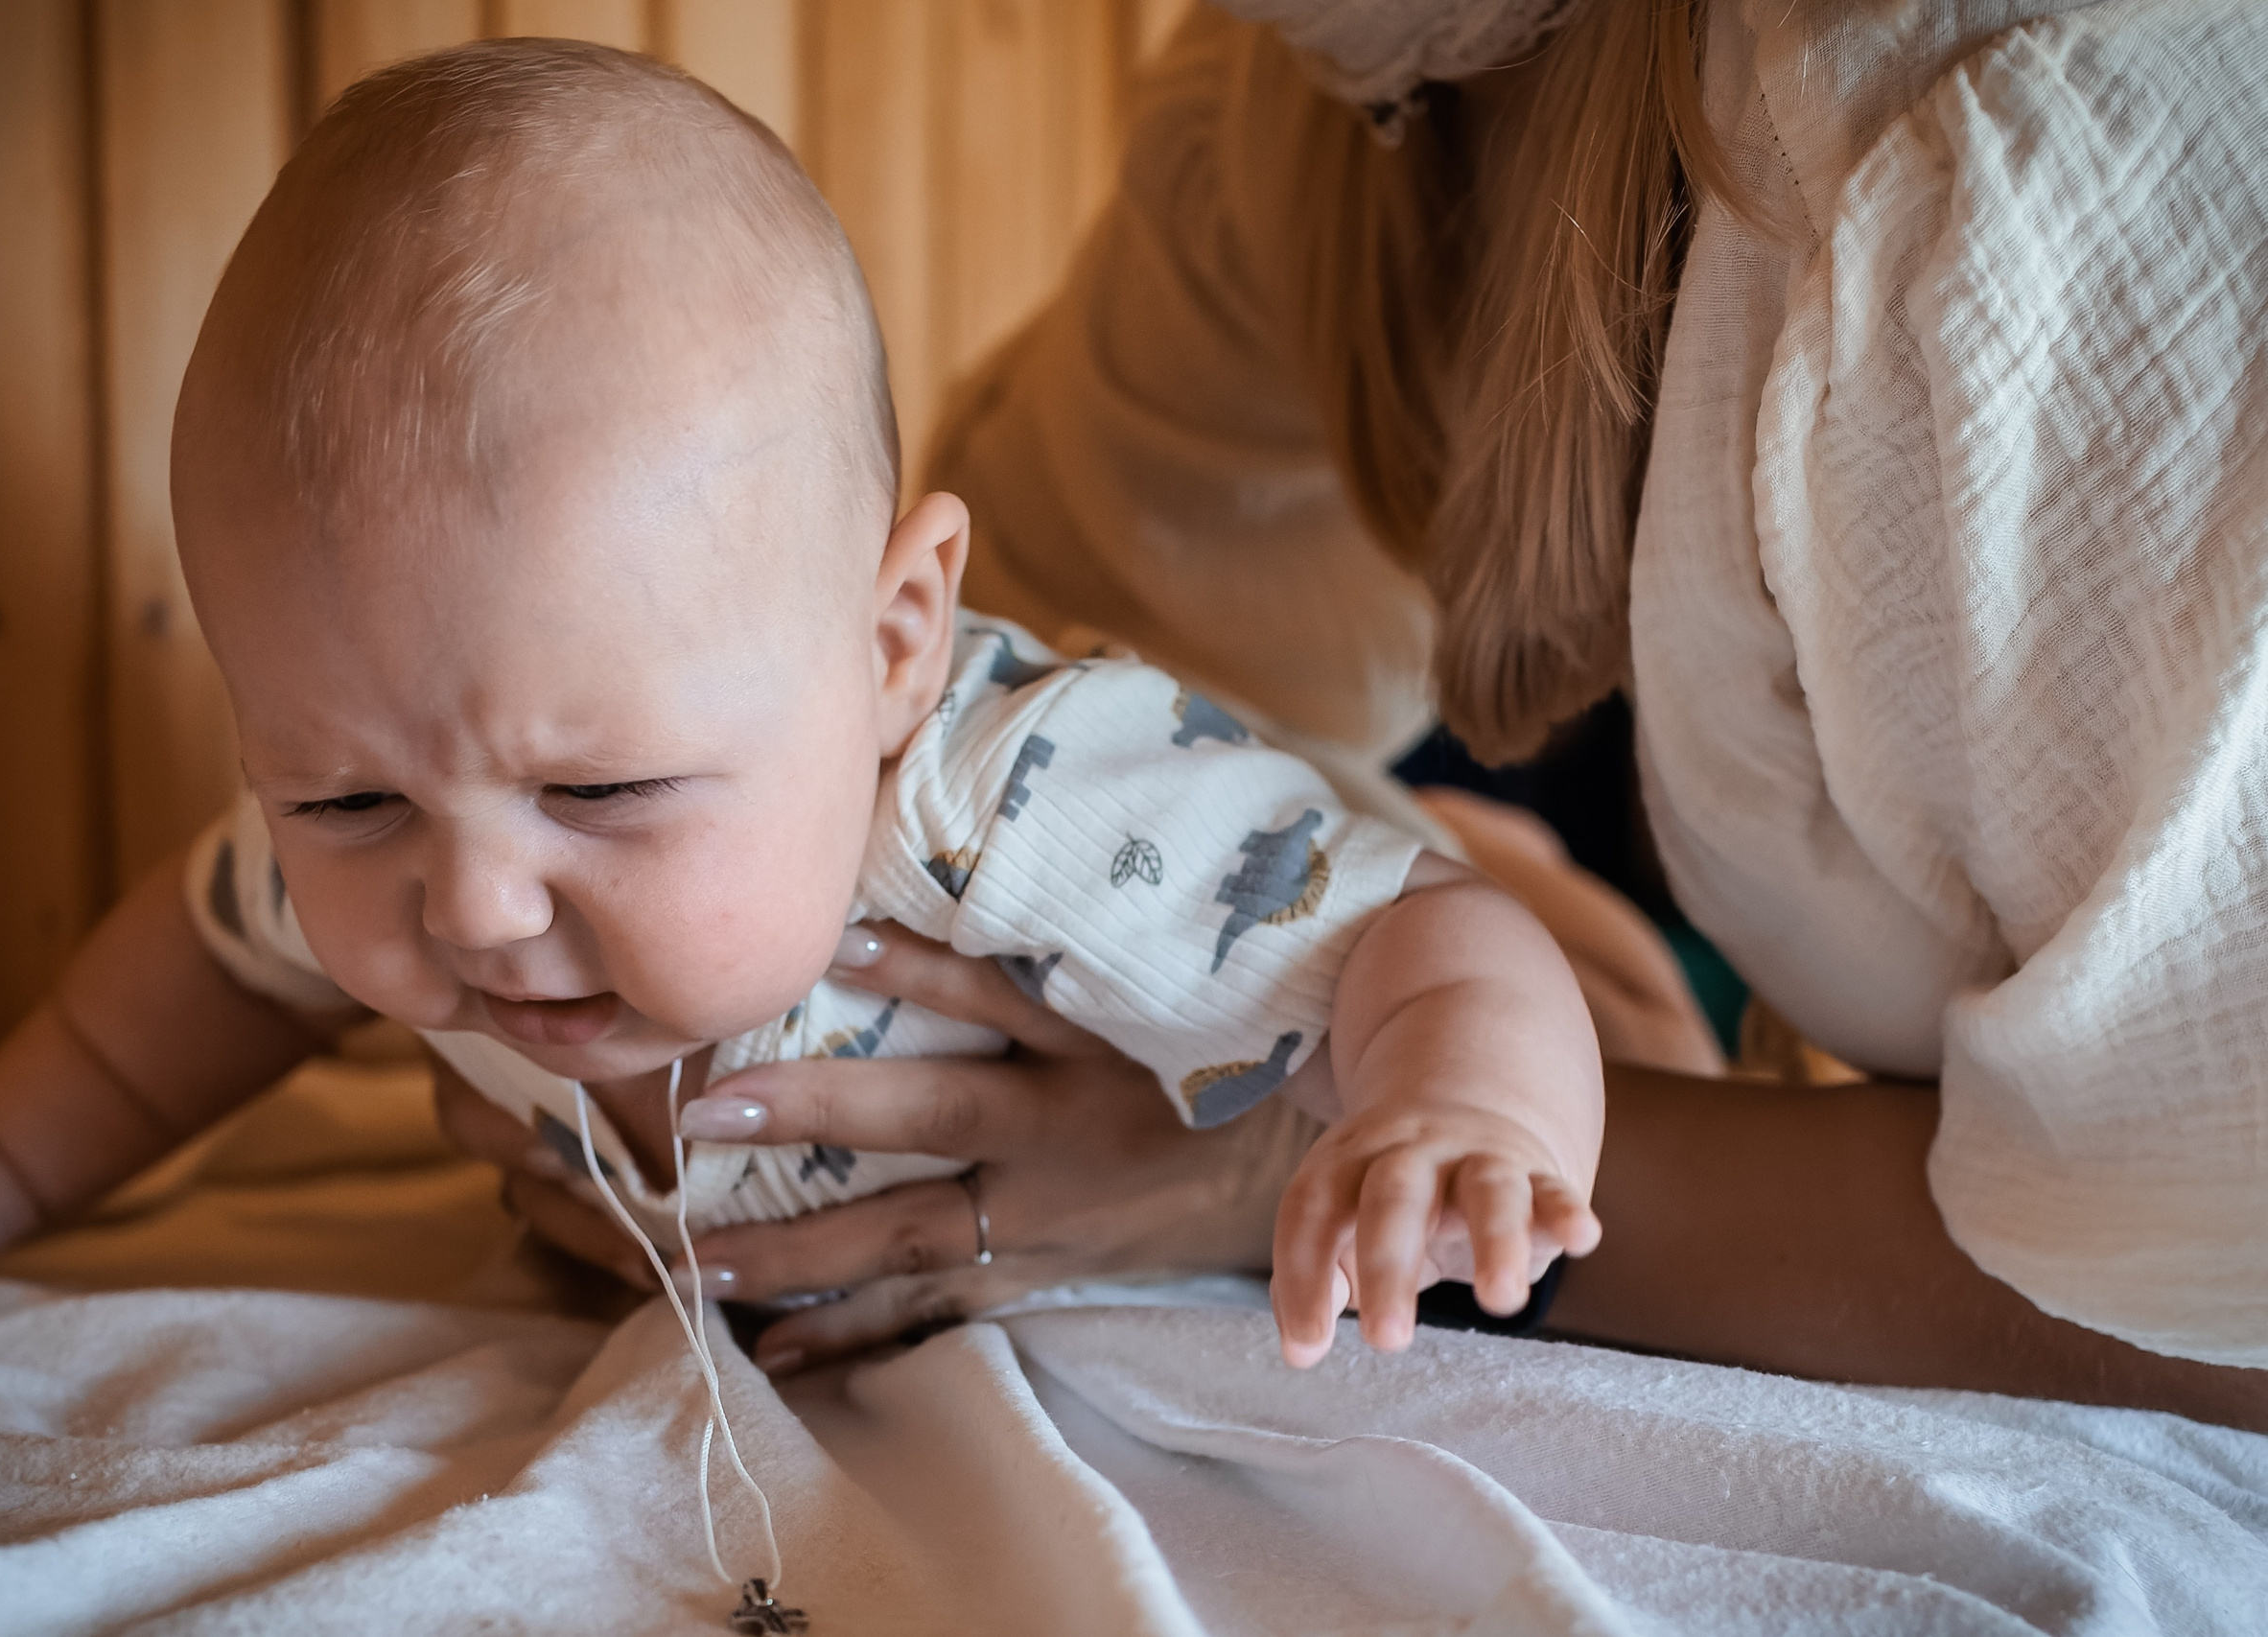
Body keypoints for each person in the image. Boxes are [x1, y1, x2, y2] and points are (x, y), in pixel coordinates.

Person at [442, 0, 2268, 1430]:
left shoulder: (2008, 167)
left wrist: (1281, 1155)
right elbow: (1018, 731)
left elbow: (2212, 1284)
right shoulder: (1310, 96)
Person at [0, 38, 1616, 1366]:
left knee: (1473, 926)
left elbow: (1423, 942)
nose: (478, 910)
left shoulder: (1027, 806)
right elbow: (209, 957)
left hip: (1352, 852)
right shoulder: (399, 814)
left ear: (894, 643)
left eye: (599, 795)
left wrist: (1463, 1113)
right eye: (347, 802)